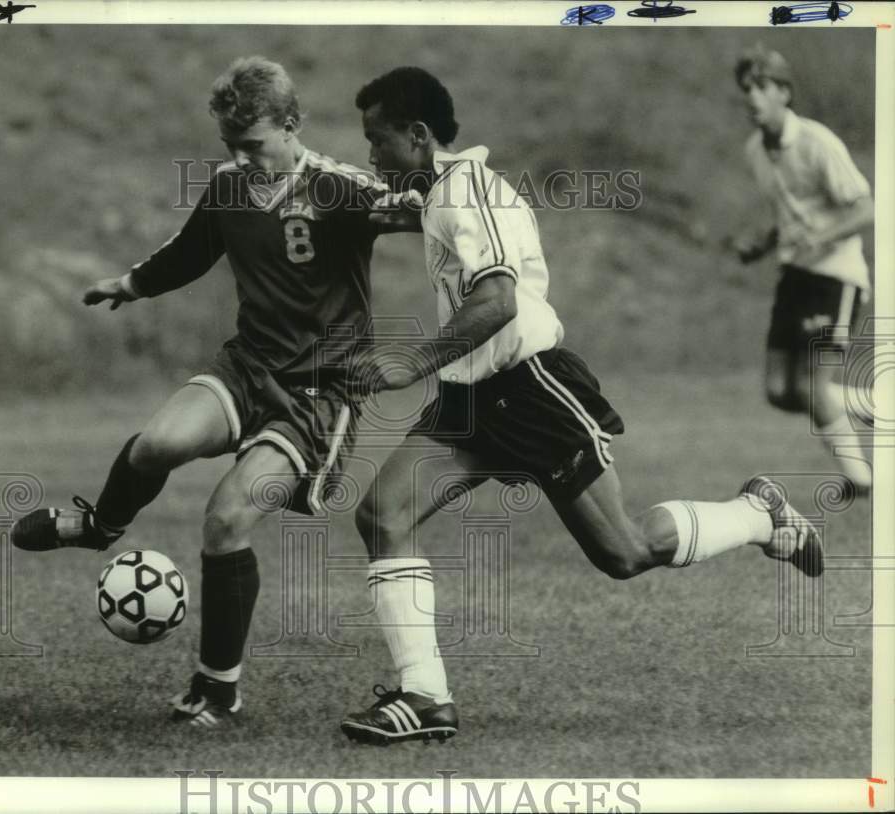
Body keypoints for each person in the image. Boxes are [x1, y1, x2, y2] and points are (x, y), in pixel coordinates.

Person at [339, 66, 824, 746]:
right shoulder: (445, 191)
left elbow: (498, 298)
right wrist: (388, 209)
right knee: (383, 512)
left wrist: (408, 363)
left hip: (529, 387)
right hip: (472, 399)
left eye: (378, 141)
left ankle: (757, 513)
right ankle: (426, 697)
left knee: (623, 553)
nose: (372, 156)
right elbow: (436, 220)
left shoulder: (465, 193)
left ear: (418, 136)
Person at [10, 56, 405, 727]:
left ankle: (217, 689)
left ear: (292, 124)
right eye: (230, 146)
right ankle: (101, 526)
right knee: (157, 443)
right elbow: (189, 253)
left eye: (253, 145)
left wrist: (449, 202)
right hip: (247, 366)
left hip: (317, 396)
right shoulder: (226, 188)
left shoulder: (341, 189)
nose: (241, 159)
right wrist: (128, 285)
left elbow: (418, 213)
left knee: (225, 520)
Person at [730, 45, 874, 494]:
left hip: (835, 274)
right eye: (747, 88)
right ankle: (872, 403)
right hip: (794, 274)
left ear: (784, 92)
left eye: (763, 87)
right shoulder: (755, 150)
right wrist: (763, 243)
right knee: (779, 391)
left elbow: (866, 208)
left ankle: (863, 480)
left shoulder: (817, 142)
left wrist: (823, 238)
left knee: (814, 387)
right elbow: (790, 213)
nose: (753, 97)